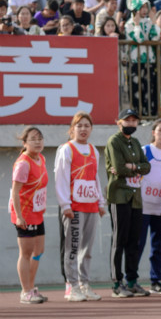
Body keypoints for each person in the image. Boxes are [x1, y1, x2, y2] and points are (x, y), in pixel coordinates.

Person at [54, 112, 106, 302]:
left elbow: (95, 178)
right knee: (73, 247)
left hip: (91, 206)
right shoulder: (66, 150)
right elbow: (61, 178)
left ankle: (84, 284)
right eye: (79, 125)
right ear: (72, 128)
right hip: (73, 207)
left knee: (87, 249)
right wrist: (65, 204)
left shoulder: (94, 150)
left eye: (87, 125)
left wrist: (100, 202)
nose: (83, 129)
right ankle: (72, 285)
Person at [105, 108, 152, 298]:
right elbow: (117, 168)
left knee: (134, 240)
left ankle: (132, 281)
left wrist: (132, 167)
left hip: (135, 198)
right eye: (127, 120)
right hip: (119, 196)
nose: (131, 124)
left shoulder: (136, 141)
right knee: (119, 240)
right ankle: (117, 282)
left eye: (134, 121)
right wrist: (135, 169)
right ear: (119, 122)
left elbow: (147, 167)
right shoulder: (114, 141)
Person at [10, 127, 48, 304]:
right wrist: (19, 216)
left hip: (37, 212)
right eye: (33, 139)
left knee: (38, 251)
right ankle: (25, 292)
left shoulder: (41, 158)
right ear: (24, 143)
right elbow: (15, 192)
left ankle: (31, 287)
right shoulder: (23, 163)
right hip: (24, 213)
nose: (38, 142)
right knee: (25, 253)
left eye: (40, 138)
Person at [137, 117, 161, 293]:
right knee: (138, 244)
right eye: (160, 130)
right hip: (143, 207)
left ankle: (155, 280)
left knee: (158, 246)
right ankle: (132, 279)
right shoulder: (145, 151)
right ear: (153, 132)